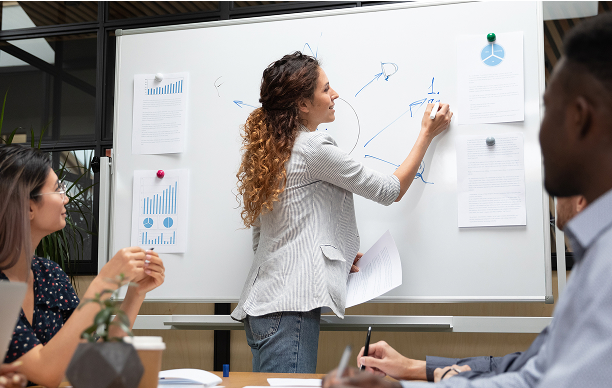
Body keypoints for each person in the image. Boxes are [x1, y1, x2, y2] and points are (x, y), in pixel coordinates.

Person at [323, 12, 612, 388]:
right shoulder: (596, 257)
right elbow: (532, 371)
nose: (537, 135)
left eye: (546, 112)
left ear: (579, 120)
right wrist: (421, 371)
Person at [231, 51, 453, 373]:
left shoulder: (278, 149)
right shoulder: (312, 148)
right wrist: (426, 134)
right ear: (303, 104)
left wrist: (329, 259)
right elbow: (389, 190)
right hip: (289, 310)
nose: (335, 95)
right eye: (326, 88)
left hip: (267, 308)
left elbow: (265, 237)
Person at [0, 144, 165, 388]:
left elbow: (94, 362)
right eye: (58, 189)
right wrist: (105, 282)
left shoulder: (50, 274)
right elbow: (45, 373)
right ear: (28, 206)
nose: (66, 197)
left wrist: (135, 294)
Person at [355, 196, 587, 383]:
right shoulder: (589, 273)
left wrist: (452, 380)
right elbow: (520, 365)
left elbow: (534, 380)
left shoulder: (598, 283)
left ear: (581, 201)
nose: (553, 199)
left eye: (561, 188)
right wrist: (412, 367)